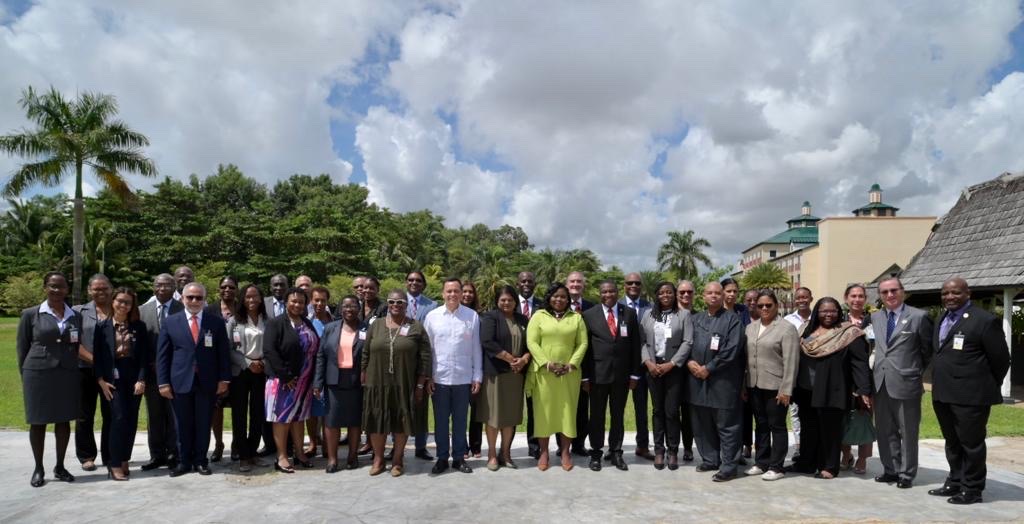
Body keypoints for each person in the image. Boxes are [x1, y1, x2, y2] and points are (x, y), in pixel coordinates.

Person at [927, 277, 1010, 505]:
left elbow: (1001, 359)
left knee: (971, 444)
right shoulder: (941, 318)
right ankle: (955, 481)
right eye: (945, 293)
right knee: (952, 441)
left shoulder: (984, 320)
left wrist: (984, 385)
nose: (949, 297)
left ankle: (972, 489)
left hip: (971, 395)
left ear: (968, 293)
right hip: (943, 393)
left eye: (955, 293)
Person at [789, 297, 871, 479]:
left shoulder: (849, 333)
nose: (828, 314)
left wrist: (863, 390)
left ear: (839, 312)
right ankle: (807, 463)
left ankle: (829, 466)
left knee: (830, 429)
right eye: (824, 311)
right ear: (817, 312)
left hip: (832, 389)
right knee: (809, 428)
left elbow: (859, 364)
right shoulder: (807, 330)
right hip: (805, 389)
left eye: (832, 311)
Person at [156, 282, 231, 477]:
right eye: (190, 297)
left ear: (205, 299)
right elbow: (163, 356)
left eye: (199, 297)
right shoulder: (171, 322)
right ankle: (184, 461)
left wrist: (224, 379)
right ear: (182, 299)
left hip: (207, 382)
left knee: (203, 423)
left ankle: (201, 460)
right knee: (182, 424)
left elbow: (223, 353)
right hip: (179, 382)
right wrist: (163, 383)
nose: (195, 301)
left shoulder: (215, 322)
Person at [17, 271, 82, 487]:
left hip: (66, 373)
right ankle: (38, 468)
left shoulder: (75, 315)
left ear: (67, 289)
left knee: (63, 420)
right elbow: (22, 347)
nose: (57, 290)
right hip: (37, 374)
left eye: (61, 286)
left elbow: (75, 344)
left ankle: (60, 466)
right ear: (45, 287)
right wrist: (26, 374)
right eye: (52, 286)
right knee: (38, 421)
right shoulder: (31, 314)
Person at [870, 277, 933, 489]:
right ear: (880, 296)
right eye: (884, 292)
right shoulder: (876, 317)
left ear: (903, 292)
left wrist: (913, 371)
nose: (890, 295)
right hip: (880, 383)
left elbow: (927, 351)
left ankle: (906, 473)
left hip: (906, 382)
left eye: (894, 290)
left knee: (908, 430)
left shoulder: (919, 316)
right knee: (884, 430)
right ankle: (890, 469)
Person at [361, 289, 432, 477]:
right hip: (377, 383)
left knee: (401, 421)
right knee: (377, 421)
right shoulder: (376, 325)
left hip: (404, 382)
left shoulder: (415, 326)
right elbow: (366, 352)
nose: (395, 305)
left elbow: (424, 358)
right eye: (391, 302)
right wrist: (363, 373)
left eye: (400, 302)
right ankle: (378, 459)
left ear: (406, 305)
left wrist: (419, 384)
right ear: (387, 304)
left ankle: (398, 459)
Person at [525, 283, 589, 471]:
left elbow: (583, 343)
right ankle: (544, 452)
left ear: (568, 300)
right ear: (549, 297)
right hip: (545, 373)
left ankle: (565, 452)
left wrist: (572, 364)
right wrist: (546, 363)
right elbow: (532, 342)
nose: (559, 299)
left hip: (569, 374)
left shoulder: (576, 318)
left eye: (563, 297)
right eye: (555, 296)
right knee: (544, 413)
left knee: (567, 413)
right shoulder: (538, 316)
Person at [686, 281, 744, 482]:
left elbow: (731, 350)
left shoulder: (733, 321)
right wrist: (690, 362)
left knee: (727, 425)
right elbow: (686, 343)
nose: (713, 296)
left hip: (722, 382)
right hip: (697, 381)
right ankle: (710, 459)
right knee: (703, 424)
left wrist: (708, 368)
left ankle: (729, 466)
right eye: (709, 293)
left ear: (723, 297)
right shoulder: (695, 319)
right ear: (703, 296)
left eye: (717, 293)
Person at [424, 278, 482, 475]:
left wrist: (477, 376)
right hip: (439, 378)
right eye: (449, 291)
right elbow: (428, 350)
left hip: (463, 378)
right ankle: (442, 458)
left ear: (461, 293)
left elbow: (476, 349)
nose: (453, 295)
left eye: (456, 291)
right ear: (443, 294)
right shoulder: (432, 317)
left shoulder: (471, 316)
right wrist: (428, 377)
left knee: (460, 421)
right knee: (440, 422)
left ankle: (458, 458)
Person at [582, 280, 641, 472]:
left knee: (618, 415)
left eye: (612, 291)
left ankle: (616, 452)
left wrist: (634, 375)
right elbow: (585, 349)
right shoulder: (589, 315)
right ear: (600, 294)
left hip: (622, 376)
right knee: (596, 416)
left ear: (618, 292)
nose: (608, 295)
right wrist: (585, 377)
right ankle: (596, 453)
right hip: (597, 376)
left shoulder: (629, 314)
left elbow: (635, 346)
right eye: (604, 292)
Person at [262, 287, 320, 473]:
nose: (297, 305)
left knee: (299, 418)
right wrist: (286, 376)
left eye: (301, 302)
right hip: (283, 381)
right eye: (293, 301)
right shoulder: (276, 323)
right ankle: (282, 457)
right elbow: (270, 351)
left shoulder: (306, 323)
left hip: (304, 381)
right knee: (282, 418)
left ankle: (300, 453)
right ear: (286, 302)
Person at [93, 287, 149, 481]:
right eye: (120, 301)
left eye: (127, 302)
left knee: (131, 419)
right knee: (118, 418)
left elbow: (144, 357)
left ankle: (125, 458)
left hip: (133, 377)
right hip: (111, 379)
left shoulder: (138, 326)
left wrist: (142, 379)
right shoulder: (102, 327)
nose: (123, 305)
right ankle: (114, 463)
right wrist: (101, 381)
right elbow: (98, 357)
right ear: (113, 301)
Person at [744, 291, 799, 481]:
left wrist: (786, 389)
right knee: (760, 425)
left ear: (776, 305)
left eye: (768, 305)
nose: (764, 309)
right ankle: (761, 462)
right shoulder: (751, 327)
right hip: (754, 384)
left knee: (777, 426)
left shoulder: (786, 328)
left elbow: (791, 361)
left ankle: (777, 466)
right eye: (760, 306)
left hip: (776, 386)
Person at [640, 281, 693, 470]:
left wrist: (672, 364)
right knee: (657, 411)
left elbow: (688, 342)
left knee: (672, 412)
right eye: (662, 292)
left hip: (674, 370)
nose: (665, 295)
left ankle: (672, 451)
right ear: (657, 295)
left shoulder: (684, 315)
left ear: (674, 295)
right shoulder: (648, 315)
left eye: (669, 292)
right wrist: (648, 363)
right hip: (653, 369)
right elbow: (643, 342)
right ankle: (659, 450)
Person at [477, 285, 530, 471]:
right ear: (497, 301)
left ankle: (505, 453)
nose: (506, 302)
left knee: (510, 416)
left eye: (510, 299)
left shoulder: (523, 319)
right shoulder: (491, 317)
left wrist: (523, 359)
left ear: (515, 301)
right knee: (493, 416)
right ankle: (492, 454)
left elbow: (530, 344)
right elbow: (487, 341)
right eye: (503, 300)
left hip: (516, 375)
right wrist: (509, 358)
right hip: (496, 374)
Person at [313, 295, 366, 473]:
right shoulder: (330, 328)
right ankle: (333, 459)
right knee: (332, 421)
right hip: (334, 381)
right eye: (345, 306)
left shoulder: (366, 329)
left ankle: (352, 456)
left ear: (359, 309)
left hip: (357, 381)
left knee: (354, 421)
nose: (349, 309)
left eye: (353, 306)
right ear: (340, 309)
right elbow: (321, 356)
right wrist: (317, 383)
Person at [138, 274, 182, 471]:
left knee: (174, 414)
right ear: (153, 287)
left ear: (174, 287)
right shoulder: (141, 310)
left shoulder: (183, 309)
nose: (163, 288)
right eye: (159, 284)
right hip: (151, 372)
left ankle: (174, 453)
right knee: (154, 414)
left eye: (167, 285)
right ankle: (156, 455)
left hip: (176, 372)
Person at [226, 284, 268, 472]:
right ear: (242, 299)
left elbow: (272, 346)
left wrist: (263, 363)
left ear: (261, 298)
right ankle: (243, 455)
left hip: (262, 371)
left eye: (255, 296)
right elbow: (228, 349)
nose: (252, 300)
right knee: (240, 414)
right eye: (248, 297)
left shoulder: (267, 320)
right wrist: (247, 362)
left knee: (258, 413)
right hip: (241, 371)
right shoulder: (234, 321)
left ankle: (253, 452)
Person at [73, 274, 113, 472]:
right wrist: (98, 361)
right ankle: (86, 456)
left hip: (111, 374)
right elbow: (74, 343)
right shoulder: (77, 312)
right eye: (96, 289)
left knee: (112, 414)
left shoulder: (119, 309)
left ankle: (110, 454)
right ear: (89, 290)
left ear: (111, 289)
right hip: (84, 371)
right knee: (84, 416)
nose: (101, 292)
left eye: (104, 288)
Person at [841, 284, 875, 475]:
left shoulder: (873, 321)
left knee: (864, 417)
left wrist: (864, 387)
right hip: (843, 379)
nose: (857, 299)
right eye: (853, 295)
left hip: (867, 377)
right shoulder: (839, 320)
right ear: (846, 298)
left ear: (866, 299)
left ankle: (862, 459)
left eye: (861, 296)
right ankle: (845, 454)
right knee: (842, 418)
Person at [204, 276, 238, 463]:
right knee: (216, 409)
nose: (227, 290)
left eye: (231, 287)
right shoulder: (209, 310)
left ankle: (236, 445)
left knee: (238, 409)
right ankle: (218, 444)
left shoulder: (241, 311)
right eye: (223, 287)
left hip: (238, 367)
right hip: (215, 367)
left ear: (236, 290)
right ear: (218, 290)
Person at [620, 272, 654, 461]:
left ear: (641, 286)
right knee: (618, 408)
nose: (633, 285)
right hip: (622, 367)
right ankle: (615, 446)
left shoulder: (650, 307)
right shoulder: (616, 306)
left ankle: (642, 445)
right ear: (624, 285)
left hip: (644, 366)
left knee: (642, 408)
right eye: (630, 283)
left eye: (637, 283)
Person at [721, 277, 753, 463]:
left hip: (740, 365)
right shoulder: (716, 311)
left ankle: (738, 451)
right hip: (720, 367)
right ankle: (723, 452)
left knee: (739, 411)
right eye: (729, 291)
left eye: (735, 291)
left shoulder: (743, 311)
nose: (732, 294)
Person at [565, 271, 593, 457]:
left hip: (585, 365)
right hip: (562, 365)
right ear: (567, 284)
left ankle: (579, 444)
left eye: (579, 281)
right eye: (572, 281)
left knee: (582, 408)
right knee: (564, 406)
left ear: (584, 285)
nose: (575, 284)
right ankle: (563, 445)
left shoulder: (592, 308)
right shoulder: (558, 305)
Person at [517, 271, 544, 460]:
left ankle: (534, 446)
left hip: (536, 364)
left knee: (536, 408)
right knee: (509, 407)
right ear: (517, 284)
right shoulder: (507, 303)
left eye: (530, 281)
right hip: (513, 364)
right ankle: (505, 448)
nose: (526, 284)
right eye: (523, 281)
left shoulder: (543, 305)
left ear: (535, 284)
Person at [784, 286, 813, 459]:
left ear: (811, 298)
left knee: (812, 411)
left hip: (814, 371)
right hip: (795, 371)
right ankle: (799, 447)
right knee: (795, 412)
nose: (801, 300)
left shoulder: (818, 318)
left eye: (805, 297)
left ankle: (813, 446)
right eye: (798, 297)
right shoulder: (788, 320)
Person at [305, 285, 334, 458]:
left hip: (330, 370)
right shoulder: (306, 321)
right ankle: (313, 442)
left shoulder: (334, 321)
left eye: (323, 300)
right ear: (311, 301)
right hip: (310, 370)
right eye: (316, 300)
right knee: (311, 409)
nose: (319, 303)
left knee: (326, 408)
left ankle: (325, 443)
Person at [461, 281, 484, 459]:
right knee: (460, 412)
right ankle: (462, 446)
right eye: (464, 291)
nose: (467, 295)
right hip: (458, 372)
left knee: (476, 411)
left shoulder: (479, 316)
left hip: (475, 369)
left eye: (470, 292)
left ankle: (476, 446)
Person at [674, 279, 697, 459]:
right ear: (677, 294)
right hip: (672, 370)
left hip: (692, 372)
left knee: (689, 412)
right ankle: (671, 446)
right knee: (671, 411)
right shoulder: (668, 315)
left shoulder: (699, 316)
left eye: (689, 292)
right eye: (682, 292)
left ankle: (688, 447)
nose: (686, 295)